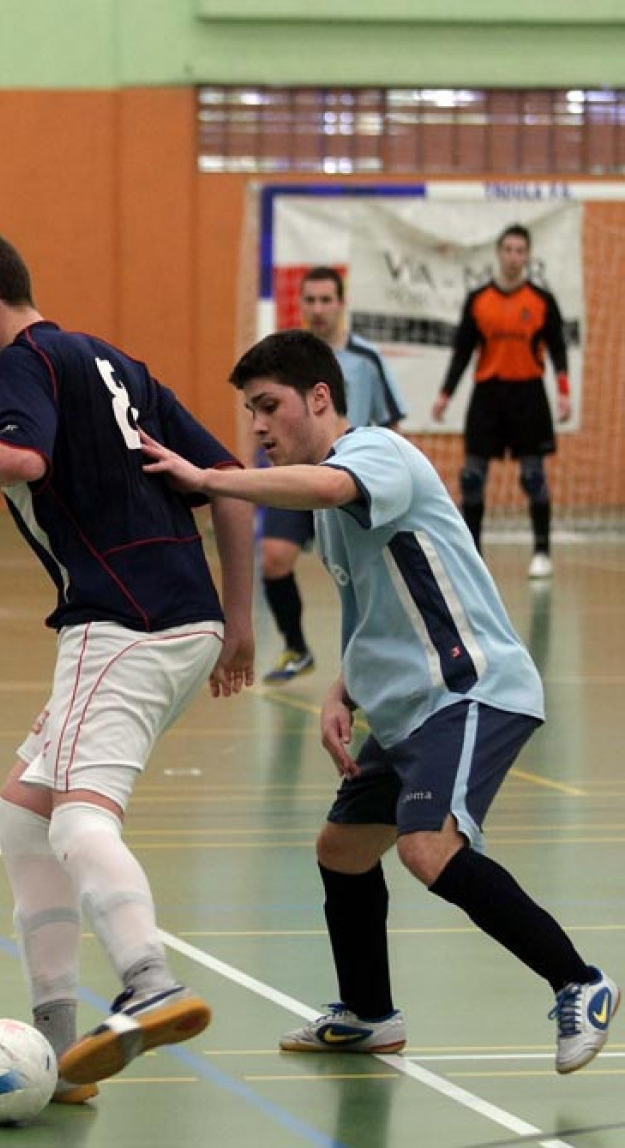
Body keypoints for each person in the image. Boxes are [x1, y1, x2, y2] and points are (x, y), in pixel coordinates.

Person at [0, 217, 256, 1101]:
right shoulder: (118, 363)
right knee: (24, 816)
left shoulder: (25, 362)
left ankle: (151, 982)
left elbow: (17, 456)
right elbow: (227, 491)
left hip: (124, 623)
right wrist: (242, 625)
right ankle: (62, 1047)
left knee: (75, 822)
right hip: (177, 620)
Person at [141, 328, 617, 1076]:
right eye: (250, 413)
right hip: (406, 708)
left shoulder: (377, 456)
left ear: (320, 398)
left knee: (429, 847)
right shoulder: (333, 506)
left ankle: (580, 983)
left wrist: (210, 479)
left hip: (471, 689)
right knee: (344, 848)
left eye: (269, 407)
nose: (258, 426)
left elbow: (330, 487)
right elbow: (372, 606)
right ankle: (369, 1015)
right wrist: (342, 689)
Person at [261, 266, 407, 684]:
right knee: (273, 559)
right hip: (296, 475)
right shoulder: (283, 359)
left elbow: (392, 423)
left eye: (327, 299)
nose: (318, 308)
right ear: (300, 304)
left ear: (341, 304)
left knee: (362, 579)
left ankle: (372, 670)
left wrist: (394, 479)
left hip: (347, 483)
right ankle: (296, 647)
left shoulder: (366, 358)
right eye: (310, 300)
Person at [432, 223, 571, 579]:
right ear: (499, 253)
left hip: (528, 395)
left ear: (528, 256)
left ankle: (542, 551)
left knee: (533, 477)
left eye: (520, 251)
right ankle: (472, 554)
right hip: (488, 396)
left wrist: (565, 392)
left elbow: (557, 348)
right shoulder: (479, 300)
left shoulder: (541, 300)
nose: (513, 257)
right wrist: (445, 395)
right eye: (507, 249)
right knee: (472, 478)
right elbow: (463, 351)